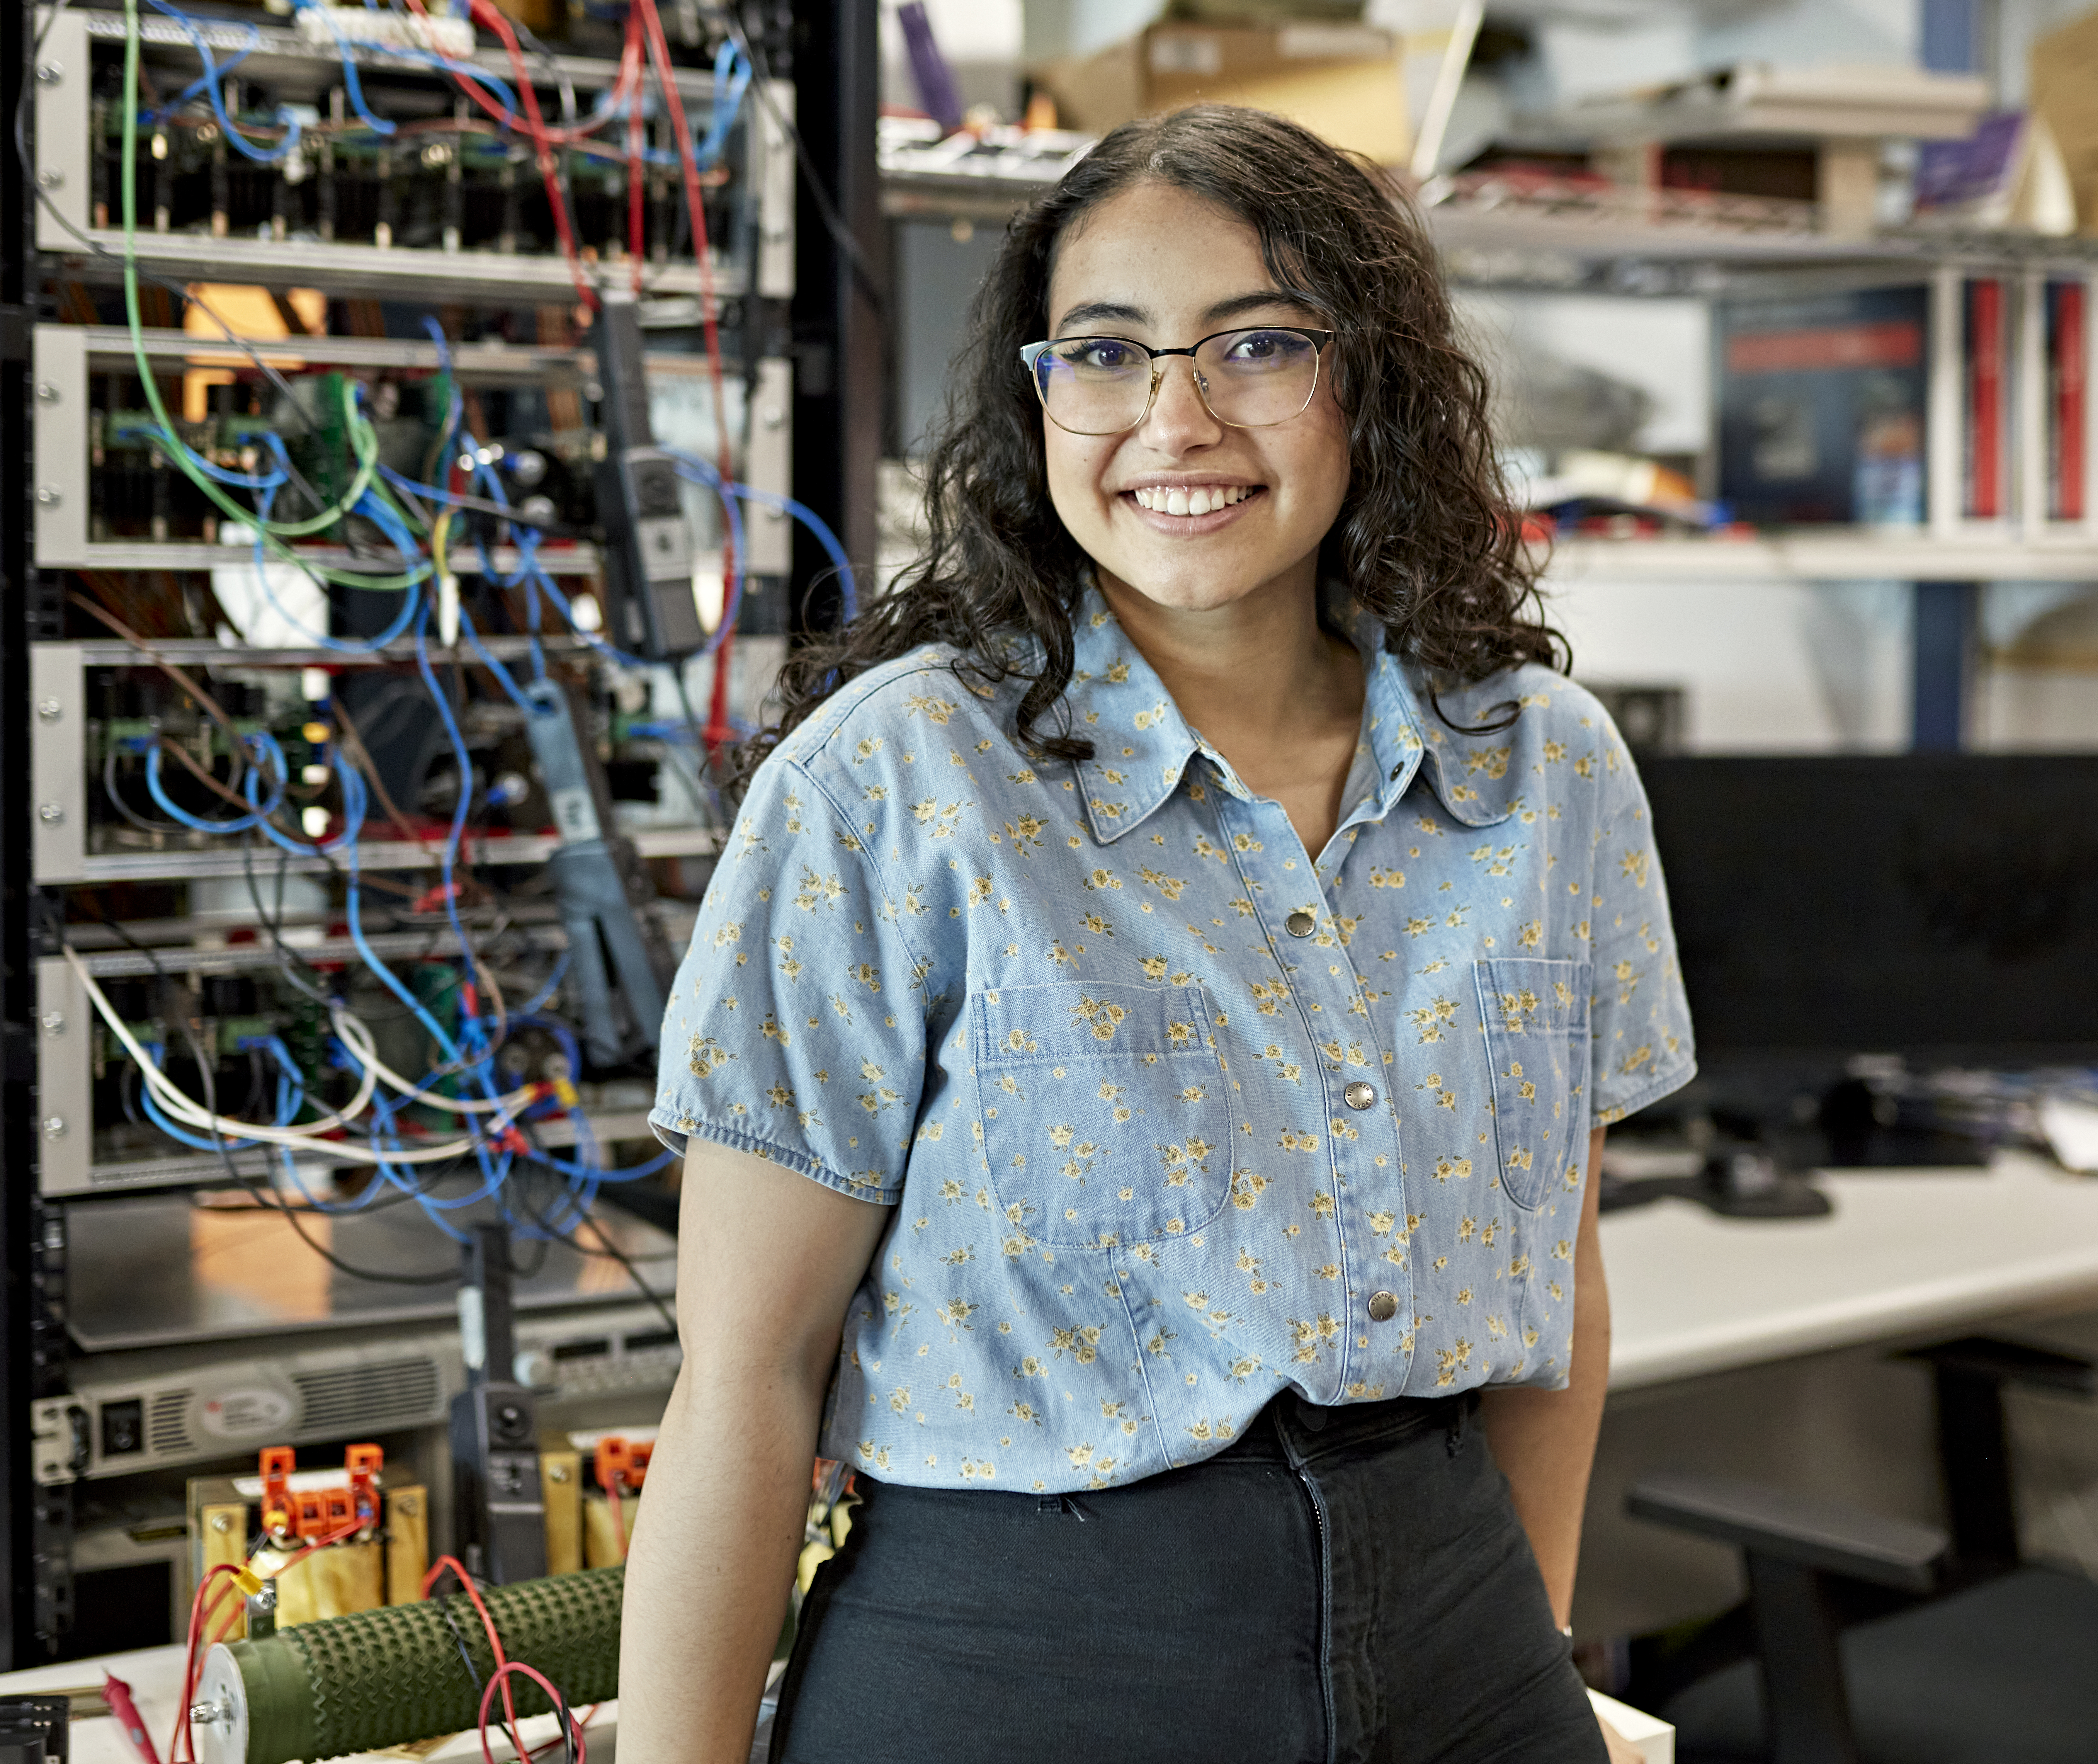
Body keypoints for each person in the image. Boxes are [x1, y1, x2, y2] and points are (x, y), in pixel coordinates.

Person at [616, 102, 1693, 1764]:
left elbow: (1562, 1283)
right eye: (1105, 354)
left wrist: (1519, 1646)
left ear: (1372, 380)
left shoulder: (1542, 771)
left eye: (1256, 344)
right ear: (1038, 398)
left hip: (1461, 1633)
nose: (1173, 419)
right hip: (1023, 1664)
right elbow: (747, 1376)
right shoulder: (896, 784)